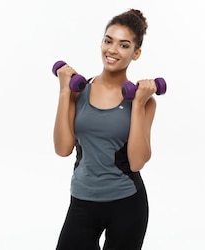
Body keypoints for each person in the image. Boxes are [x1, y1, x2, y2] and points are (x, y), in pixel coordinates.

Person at [53, 8, 158, 250]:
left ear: (136, 53)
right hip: (82, 200)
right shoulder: (78, 90)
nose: (112, 50)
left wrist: (139, 104)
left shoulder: (143, 101)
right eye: (108, 41)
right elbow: (62, 148)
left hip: (127, 204)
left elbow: (136, 162)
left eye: (123, 45)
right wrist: (64, 92)